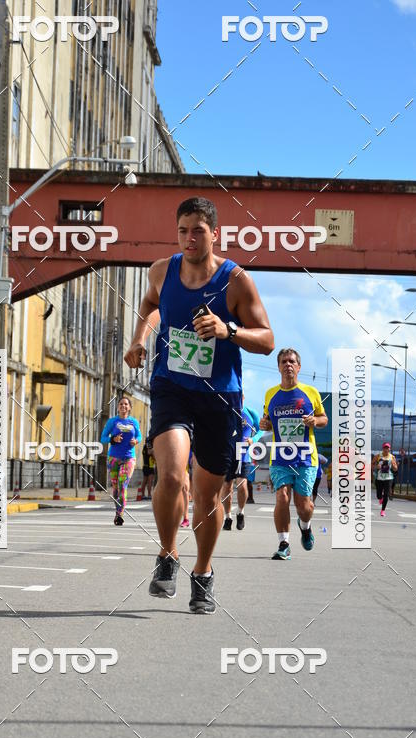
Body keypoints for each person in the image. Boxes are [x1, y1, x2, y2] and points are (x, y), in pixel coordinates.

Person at [124, 196, 274, 613]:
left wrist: (228, 330)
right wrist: (139, 339)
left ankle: (203, 571)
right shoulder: (161, 271)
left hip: (219, 397)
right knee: (172, 476)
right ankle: (167, 554)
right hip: (171, 386)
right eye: (183, 230)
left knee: (207, 498)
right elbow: (151, 304)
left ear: (215, 234)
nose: (189, 238)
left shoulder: (236, 281)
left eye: (198, 231)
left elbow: (267, 339)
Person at [259, 348, 328, 560]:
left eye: (291, 361)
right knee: (282, 497)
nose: (288, 365)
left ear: (298, 367)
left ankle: (305, 527)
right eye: (284, 362)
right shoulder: (271, 394)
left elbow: (324, 419)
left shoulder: (311, 392)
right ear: (278, 367)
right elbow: (267, 421)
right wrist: (265, 424)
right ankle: (284, 544)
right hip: (280, 457)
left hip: (306, 458)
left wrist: (314, 421)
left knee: (303, 506)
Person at [100, 396, 142, 525]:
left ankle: (120, 514)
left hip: (129, 458)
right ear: (118, 407)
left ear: (129, 407)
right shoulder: (112, 422)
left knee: (122, 485)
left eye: (126, 404)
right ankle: (117, 512)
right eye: (121, 404)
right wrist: (113, 439)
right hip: (113, 458)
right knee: (115, 488)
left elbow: (139, 436)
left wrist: (136, 441)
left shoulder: (133, 422)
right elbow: (103, 438)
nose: (123, 406)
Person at [223, 400, 260, 531]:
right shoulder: (225, 409)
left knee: (242, 484)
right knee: (226, 487)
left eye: (241, 395)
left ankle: (240, 512)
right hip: (228, 453)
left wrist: (253, 439)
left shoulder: (250, 412)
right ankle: (227, 517)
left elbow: (261, 429)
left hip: (244, 454)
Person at [372, 442, 398, 517]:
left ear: (389, 449)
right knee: (378, 495)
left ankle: (383, 510)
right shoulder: (377, 456)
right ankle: (380, 498)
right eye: (385, 448)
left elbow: (395, 469)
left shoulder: (392, 457)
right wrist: (376, 466)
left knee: (386, 494)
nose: (386, 449)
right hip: (379, 478)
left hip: (388, 478)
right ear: (382, 449)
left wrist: (394, 466)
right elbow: (372, 466)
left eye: (388, 448)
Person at [142, 435, 155, 499]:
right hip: (150, 466)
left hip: (145, 466)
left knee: (144, 481)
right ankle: (149, 495)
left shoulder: (144, 447)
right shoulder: (149, 446)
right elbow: (150, 453)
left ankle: (142, 494)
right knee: (150, 481)